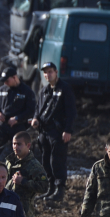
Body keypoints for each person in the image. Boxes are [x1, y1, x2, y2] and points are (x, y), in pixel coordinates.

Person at [30, 62, 76, 201]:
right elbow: (38, 109)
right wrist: (35, 119)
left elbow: (71, 112)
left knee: (57, 160)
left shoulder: (65, 89)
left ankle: (59, 189)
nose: (47, 75)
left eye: (50, 72)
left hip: (58, 132)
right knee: (46, 161)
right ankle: (50, 188)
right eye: (45, 72)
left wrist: (68, 130)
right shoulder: (44, 90)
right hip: (44, 132)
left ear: (56, 72)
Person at [0, 67, 36, 161]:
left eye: (7, 80)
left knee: (17, 154)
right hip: (2, 126)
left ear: (15, 77)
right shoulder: (2, 90)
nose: (5, 83)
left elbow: (31, 110)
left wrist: (17, 118)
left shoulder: (27, 91)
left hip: (18, 127)